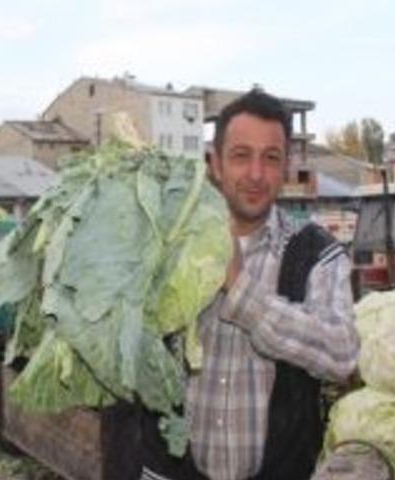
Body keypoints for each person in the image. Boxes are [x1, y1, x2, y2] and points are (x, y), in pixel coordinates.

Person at [138, 90, 360, 480]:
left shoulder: (316, 253)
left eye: (271, 158)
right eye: (241, 155)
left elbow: (342, 355)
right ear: (216, 165)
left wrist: (240, 289)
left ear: (286, 167)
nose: (256, 174)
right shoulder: (166, 243)